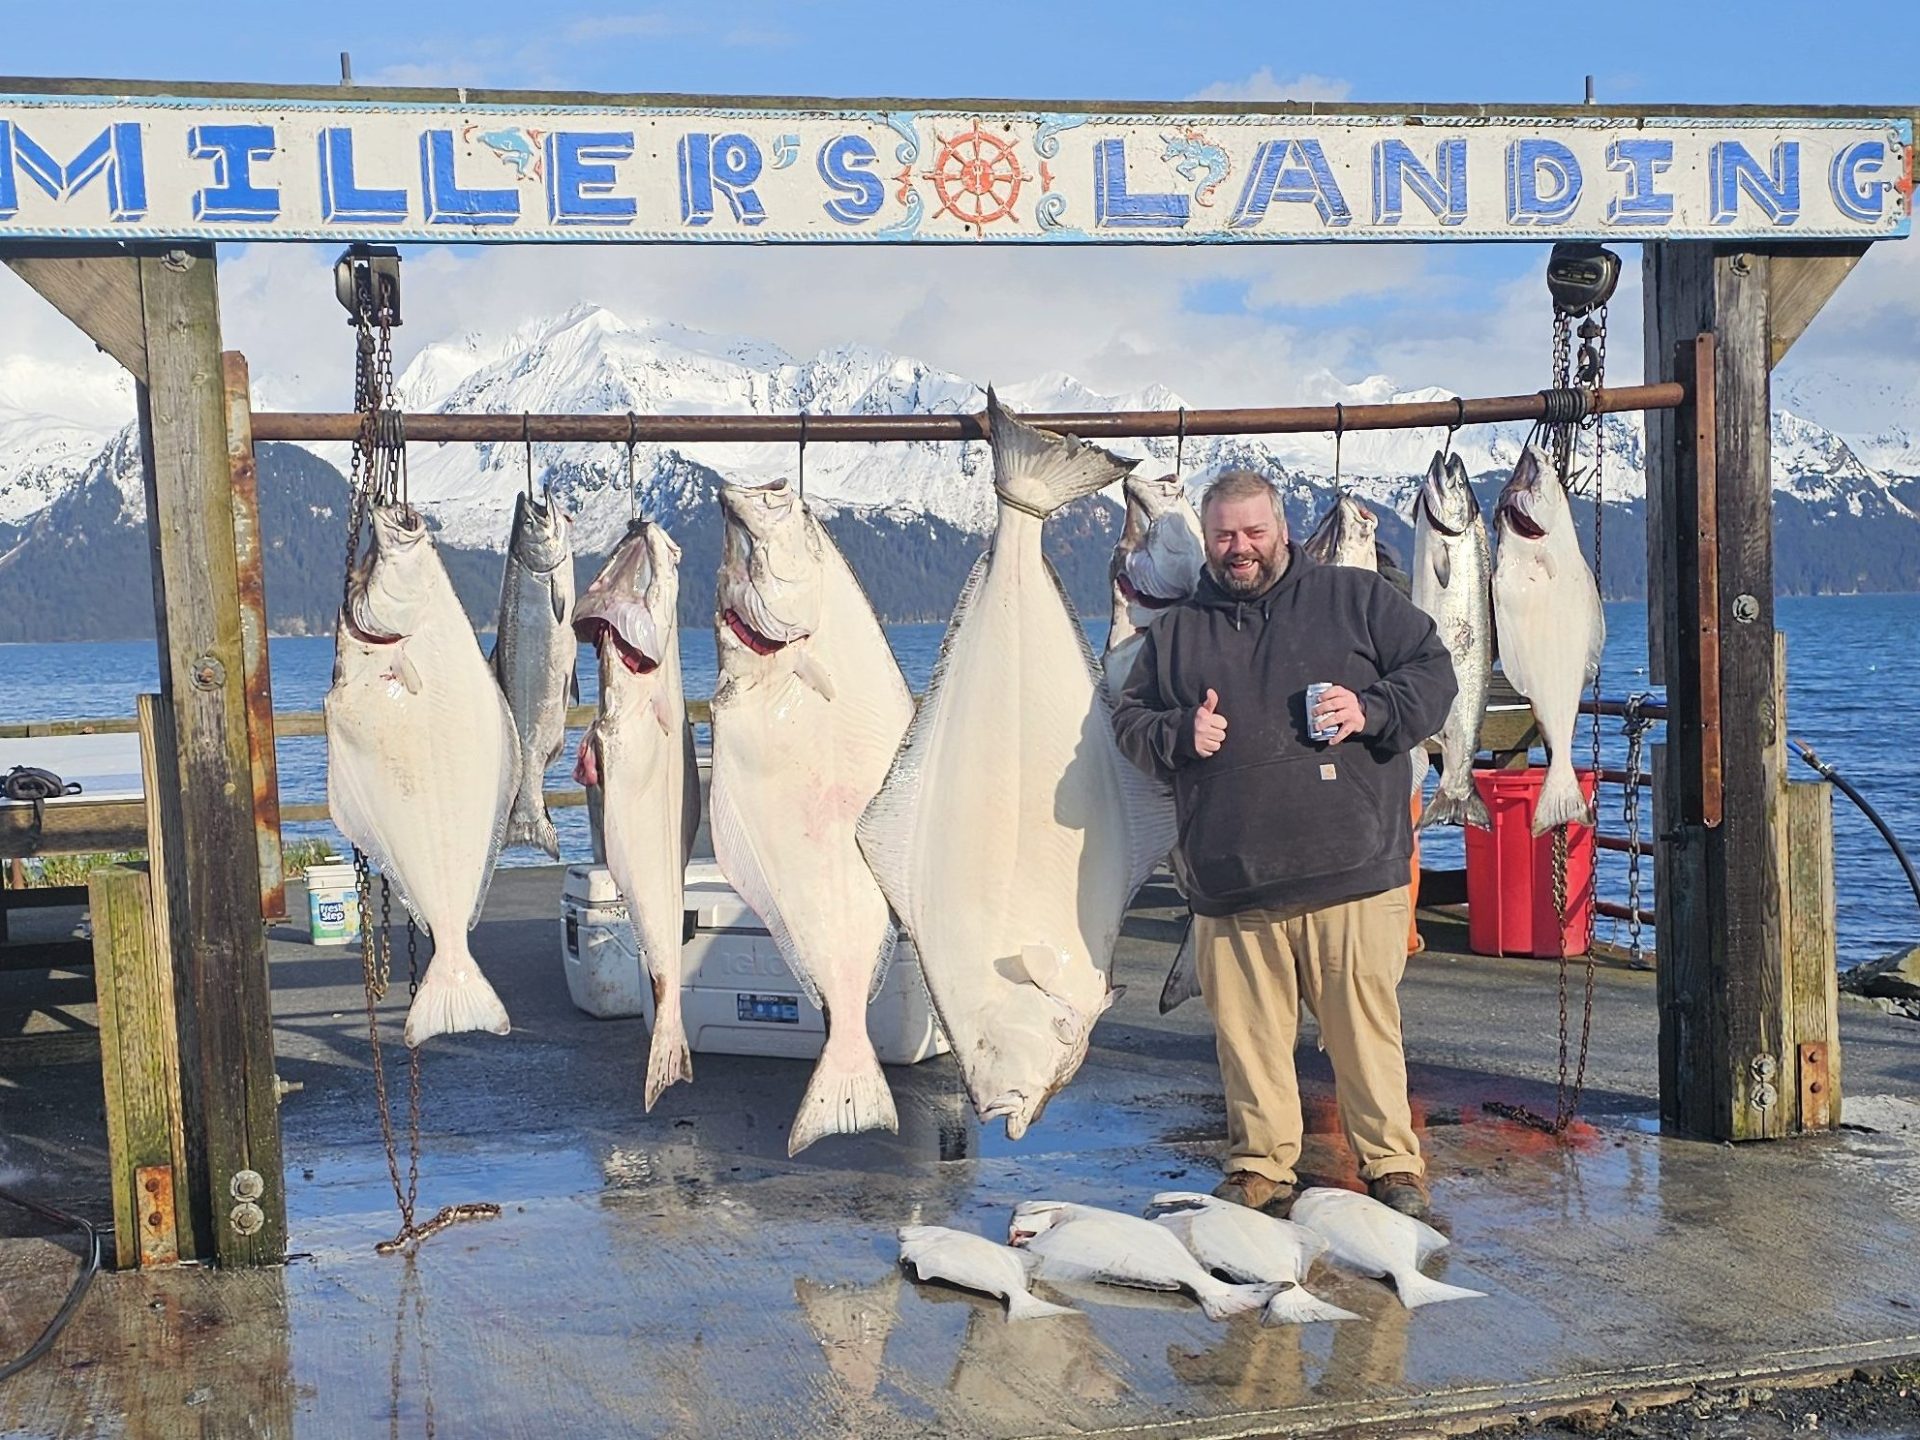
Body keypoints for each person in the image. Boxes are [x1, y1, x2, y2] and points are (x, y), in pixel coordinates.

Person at [1111, 470, 1457, 1220]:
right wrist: (1178, 732)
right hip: (1232, 883)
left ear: (1283, 530)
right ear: (1207, 541)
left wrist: (1369, 711)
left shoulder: (1354, 598)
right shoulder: (1175, 633)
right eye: (1225, 535)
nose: (1240, 549)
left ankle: (1392, 1167)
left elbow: (1434, 673)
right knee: (1248, 1042)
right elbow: (1129, 721)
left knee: (1365, 1035)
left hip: (1355, 872)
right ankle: (1261, 1166)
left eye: (1254, 532)